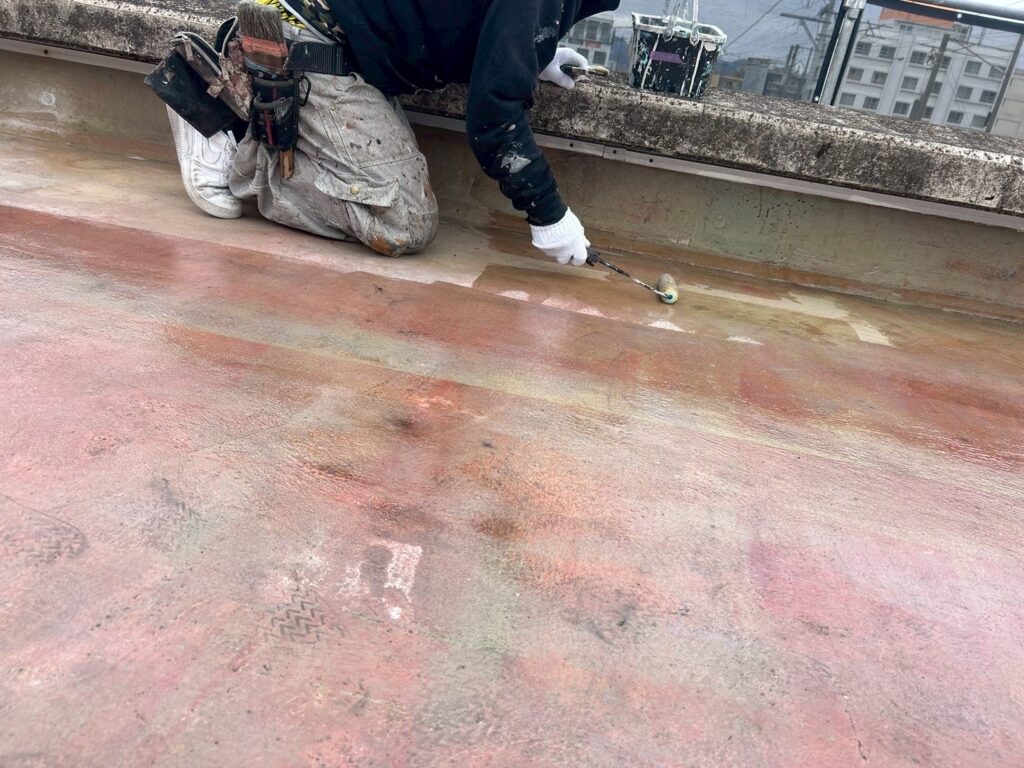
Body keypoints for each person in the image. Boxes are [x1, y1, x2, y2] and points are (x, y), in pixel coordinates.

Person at [168, 0, 618, 265]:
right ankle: (224, 131)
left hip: (347, 42)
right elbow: (494, 119)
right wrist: (549, 215)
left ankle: (254, 111)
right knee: (402, 221)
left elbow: (460, 16)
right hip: (306, 38)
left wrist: (532, 53)